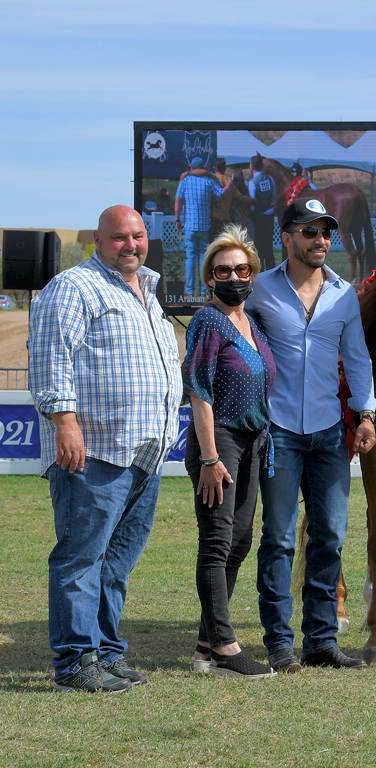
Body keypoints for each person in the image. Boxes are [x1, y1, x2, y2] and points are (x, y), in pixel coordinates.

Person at [28, 205, 183, 693]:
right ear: (98, 238)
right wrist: (65, 422)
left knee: (116, 562)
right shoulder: (73, 287)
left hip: (145, 453)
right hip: (93, 450)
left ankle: (105, 653)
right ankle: (75, 662)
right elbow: (52, 358)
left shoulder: (150, 291)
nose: (132, 245)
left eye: (138, 236)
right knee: (81, 558)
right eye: (120, 238)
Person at [245, 197, 376, 672]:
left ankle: (321, 642)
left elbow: (357, 358)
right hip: (277, 433)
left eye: (326, 232)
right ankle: (279, 644)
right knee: (278, 539)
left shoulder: (344, 295)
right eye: (310, 231)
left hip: (328, 434)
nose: (321, 240)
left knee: (329, 538)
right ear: (286, 237)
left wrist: (366, 415)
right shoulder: (258, 289)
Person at [183, 225, 277, 679]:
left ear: (253, 274)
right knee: (218, 541)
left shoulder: (252, 323)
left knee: (240, 540)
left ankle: (205, 646)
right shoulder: (207, 320)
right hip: (218, 442)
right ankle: (224, 644)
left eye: (242, 269)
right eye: (224, 270)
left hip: (253, 442)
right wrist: (207, 457)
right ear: (210, 278)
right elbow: (199, 390)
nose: (234, 276)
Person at [176, 157, 231, 298]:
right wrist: (229, 184)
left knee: (190, 257)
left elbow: (178, 201)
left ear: (192, 167)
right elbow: (220, 194)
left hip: (189, 224)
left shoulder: (186, 181)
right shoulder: (209, 181)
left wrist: (177, 219)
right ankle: (202, 291)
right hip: (204, 225)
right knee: (202, 258)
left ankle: (188, 291)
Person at [248, 155, 278, 271]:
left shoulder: (252, 182)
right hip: (269, 216)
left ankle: (260, 274)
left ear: (251, 166)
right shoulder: (270, 179)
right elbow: (274, 197)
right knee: (269, 249)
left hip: (258, 217)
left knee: (259, 248)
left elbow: (252, 202)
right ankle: (271, 274)